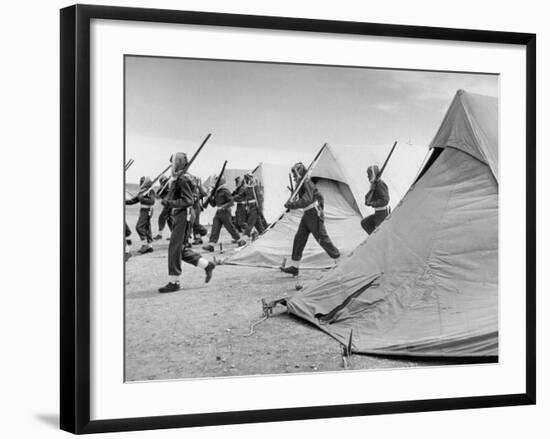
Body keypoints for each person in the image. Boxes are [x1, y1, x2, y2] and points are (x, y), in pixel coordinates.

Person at [158, 153, 216, 293]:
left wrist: (168, 202)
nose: (172, 165)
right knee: (181, 250)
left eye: (174, 162)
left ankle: (174, 281)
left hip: (184, 214)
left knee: (175, 247)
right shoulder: (183, 177)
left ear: (179, 163)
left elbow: (187, 200)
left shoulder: (183, 179)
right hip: (184, 214)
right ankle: (207, 265)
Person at [280, 162, 340, 276]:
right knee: (299, 238)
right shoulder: (302, 183)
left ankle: (339, 261)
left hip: (313, 213)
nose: (293, 177)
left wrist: (292, 205)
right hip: (307, 213)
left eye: (295, 174)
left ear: (299, 173)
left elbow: (306, 200)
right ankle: (295, 266)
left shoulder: (306, 182)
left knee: (322, 238)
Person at [202, 174, 246, 252]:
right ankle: (211, 245)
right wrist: (209, 198)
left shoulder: (225, 191)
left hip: (225, 211)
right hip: (219, 212)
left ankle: (240, 240)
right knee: (215, 228)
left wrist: (223, 206)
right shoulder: (216, 192)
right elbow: (213, 204)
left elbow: (231, 202)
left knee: (230, 227)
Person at [125, 176, 155, 254]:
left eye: (142, 182)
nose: (140, 183)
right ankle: (150, 246)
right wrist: (124, 201)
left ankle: (144, 245)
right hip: (143, 210)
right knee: (147, 227)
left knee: (139, 227)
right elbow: (134, 200)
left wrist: (142, 198)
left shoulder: (150, 191)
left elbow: (152, 201)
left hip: (147, 210)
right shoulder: (143, 191)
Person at [233, 172, 265, 240]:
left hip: (255, 207)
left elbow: (259, 199)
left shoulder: (255, 187)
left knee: (250, 224)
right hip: (250, 208)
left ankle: (244, 238)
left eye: (249, 178)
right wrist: (231, 198)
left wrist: (260, 209)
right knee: (259, 226)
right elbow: (241, 196)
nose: (247, 180)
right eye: (246, 179)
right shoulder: (247, 188)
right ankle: (265, 236)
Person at [361, 165, 390, 234]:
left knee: (379, 233)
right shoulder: (374, 185)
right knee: (365, 223)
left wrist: (372, 203)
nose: (368, 176)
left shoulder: (380, 185)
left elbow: (385, 200)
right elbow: (367, 200)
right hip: (378, 213)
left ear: (374, 174)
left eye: (370, 174)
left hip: (382, 214)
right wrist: (371, 190)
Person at [154, 175, 174, 241]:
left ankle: (160, 234)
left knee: (161, 217)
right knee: (169, 220)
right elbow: (157, 194)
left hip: (169, 205)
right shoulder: (163, 188)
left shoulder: (169, 186)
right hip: (168, 205)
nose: (161, 184)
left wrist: (160, 199)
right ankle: (173, 235)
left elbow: (168, 195)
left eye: (162, 182)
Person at [191, 176, 208, 245]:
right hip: (195, 207)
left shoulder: (195, 188)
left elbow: (204, 194)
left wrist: (199, 188)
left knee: (195, 224)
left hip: (196, 208)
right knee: (194, 224)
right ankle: (198, 238)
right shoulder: (194, 188)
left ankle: (204, 231)